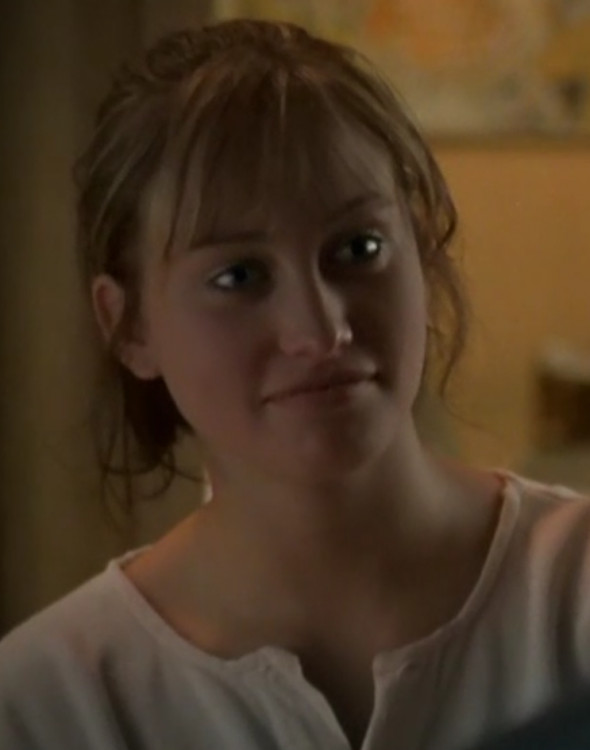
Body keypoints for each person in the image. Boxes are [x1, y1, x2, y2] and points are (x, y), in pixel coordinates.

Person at [1, 18, 590, 750]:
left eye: (359, 248)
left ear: (422, 253)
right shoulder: (52, 702)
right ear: (128, 325)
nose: (320, 329)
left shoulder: (574, 592)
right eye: (239, 276)